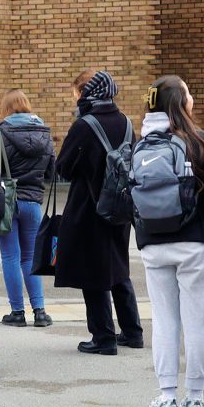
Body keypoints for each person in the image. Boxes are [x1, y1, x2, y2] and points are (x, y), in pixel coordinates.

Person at [136, 76, 204, 407]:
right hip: (195, 242)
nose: (193, 97)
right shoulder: (199, 141)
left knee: (164, 321)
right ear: (181, 102)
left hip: (153, 244)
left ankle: (166, 396)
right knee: (197, 323)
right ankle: (194, 398)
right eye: (189, 92)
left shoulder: (141, 143)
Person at [54, 70, 142, 354]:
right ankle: (132, 332)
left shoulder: (85, 125)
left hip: (88, 207)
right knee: (118, 266)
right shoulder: (127, 123)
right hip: (120, 205)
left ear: (86, 92)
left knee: (93, 272)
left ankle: (103, 337)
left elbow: (64, 167)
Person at [0, 89, 55, 327]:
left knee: (10, 256)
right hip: (32, 202)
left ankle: (17, 313)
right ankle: (40, 311)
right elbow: (51, 171)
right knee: (30, 256)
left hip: (6, 201)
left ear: (7, 108)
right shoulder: (45, 134)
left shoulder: (0, 134)